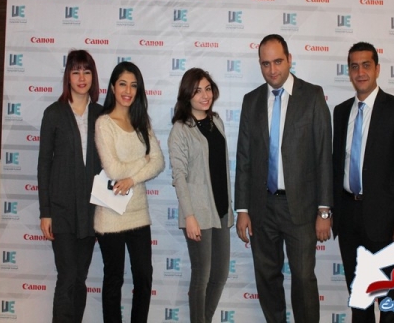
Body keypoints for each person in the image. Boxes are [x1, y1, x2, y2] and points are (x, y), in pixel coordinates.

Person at [235, 34, 333, 323]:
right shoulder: (251, 101)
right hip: (261, 207)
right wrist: (242, 209)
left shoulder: (312, 96)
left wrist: (324, 210)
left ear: (290, 59)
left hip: (301, 207)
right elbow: (244, 158)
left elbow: (323, 156)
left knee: (303, 278)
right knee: (267, 277)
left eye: (278, 61)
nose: (272, 70)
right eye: (265, 64)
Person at [332, 42, 394, 323]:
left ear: (377, 69)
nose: (360, 72)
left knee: (388, 298)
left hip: (385, 221)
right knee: (359, 296)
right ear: (349, 71)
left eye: (366, 65)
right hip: (348, 217)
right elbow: (336, 166)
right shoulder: (340, 112)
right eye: (354, 66)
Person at [94, 61, 165, 323]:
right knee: (114, 279)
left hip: (138, 214)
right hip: (110, 215)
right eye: (123, 84)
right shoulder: (104, 123)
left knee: (144, 278)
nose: (128, 90)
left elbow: (159, 162)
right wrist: (143, 161)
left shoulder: (141, 121)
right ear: (113, 87)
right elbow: (113, 169)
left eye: (133, 85)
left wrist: (132, 178)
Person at [37, 49, 102, 323]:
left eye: (86, 72)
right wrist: (45, 212)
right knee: (67, 276)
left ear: (93, 76)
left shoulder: (102, 114)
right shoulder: (53, 113)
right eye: (76, 72)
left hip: (91, 211)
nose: (81, 78)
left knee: (80, 278)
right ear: (68, 76)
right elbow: (44, 164)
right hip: (61, 210)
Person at [168, 68, 233, 323]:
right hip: (197, 213)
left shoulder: (217, 122)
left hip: (221, 210)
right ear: (187, 95)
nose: (205, 95)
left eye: (207, 89)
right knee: (201, 276)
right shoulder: (180, 129)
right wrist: (189, 216)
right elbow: (179, 176)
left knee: (220, 274)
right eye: (197, 91)